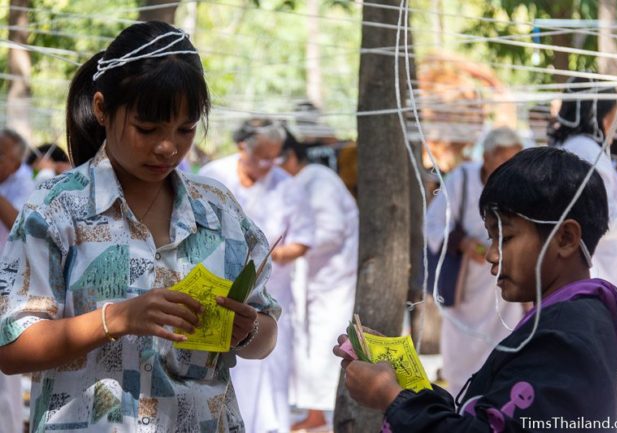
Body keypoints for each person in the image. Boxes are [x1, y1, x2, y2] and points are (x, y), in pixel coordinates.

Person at [0, 21, 280, 433]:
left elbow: (266, 334)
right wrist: (116, 319)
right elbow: (12, 348)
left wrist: (247, 330)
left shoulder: (217, 210)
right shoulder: (58, 210)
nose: (168, 147)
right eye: (148, 129)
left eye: (185, 130)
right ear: (101, 108)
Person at [334, 147, 617, 432]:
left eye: (506, 237)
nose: (492, 254)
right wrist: (403, 385)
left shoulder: (566, 336)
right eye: (491, 238)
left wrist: (389, 398)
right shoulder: (566, 320)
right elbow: (489, 418)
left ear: (565, 239)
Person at [199, 119, 313, 433]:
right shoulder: (212, 179)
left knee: (270, 366)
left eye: (274, 158)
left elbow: (303, 240)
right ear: (241, 147)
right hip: (216, 293)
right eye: (261, 157)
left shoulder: (288, 187)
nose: (268, 166)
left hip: (271, 293)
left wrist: (265, 258)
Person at [425, 126, 524, 397]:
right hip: (466, 284)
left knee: (503, 343)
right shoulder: (463, 179)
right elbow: (433, 224)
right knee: (461, 348)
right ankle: (459, 404)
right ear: (488, 157)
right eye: (504, 159)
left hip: (504, 283)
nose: (510, 167)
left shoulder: (518, 185)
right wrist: (464, 243)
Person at [278, 132, 358, 432]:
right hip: (313, 277)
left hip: (333, 278)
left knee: (327, 343)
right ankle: (314, 411)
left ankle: (321, 411)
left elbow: (331, 229)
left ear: (291, 157)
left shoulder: (318, 179)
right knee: (309, 343)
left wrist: (294, 248)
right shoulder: (299, 182)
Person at [548, 78, 617, 297]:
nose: (616, 122)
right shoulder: (587, 151)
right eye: (615, 115)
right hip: (598, 271)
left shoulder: (573, 146)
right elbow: (607, 222)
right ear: (601, 116)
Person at [0, 128, 34, 433]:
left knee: (4, 380)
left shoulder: (26, 183)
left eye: (1, 155)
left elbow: (18, 226)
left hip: (6, 289)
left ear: (16, 160)